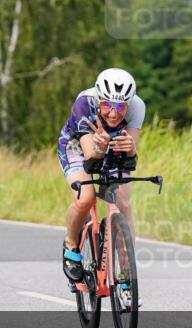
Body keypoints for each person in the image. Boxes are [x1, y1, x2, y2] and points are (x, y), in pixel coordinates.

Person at [57, 67, 145, 290]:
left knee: (123, 203)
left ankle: (126, 277)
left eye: (120, 107)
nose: (113, 114)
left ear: (128, 104)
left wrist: (131, 151)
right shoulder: (84, 103)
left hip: (111, 147)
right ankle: (71, 245)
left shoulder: (137, 107)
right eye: (107, 105)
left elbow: (130, 158)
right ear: (99, 99)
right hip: (78, 147)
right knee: (86, 198)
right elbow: (90, 160)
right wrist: (99, 146)